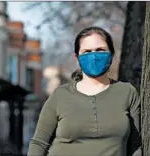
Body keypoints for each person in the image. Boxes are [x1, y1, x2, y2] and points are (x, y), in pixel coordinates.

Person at [27, 26, 141, 156]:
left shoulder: (127, 92)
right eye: (87, 52)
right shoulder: (61, 95)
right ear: (77, 57)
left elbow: (136, 145)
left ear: (111, 54)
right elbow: (39, 143)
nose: (93, 56)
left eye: (100, 50)